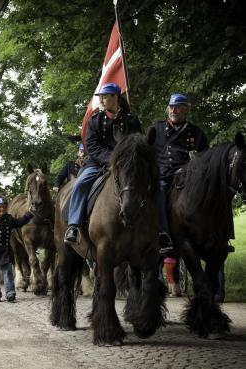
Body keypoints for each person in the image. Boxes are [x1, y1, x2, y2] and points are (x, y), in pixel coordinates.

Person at [64, 82, 142, 244]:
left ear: (116, 97)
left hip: (126, 164)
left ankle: (159, 229)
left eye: (105, 97)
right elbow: (92, 146)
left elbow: (138, 142)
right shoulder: (95, 120)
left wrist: (126, 159)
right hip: (97, 163)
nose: (102, 100)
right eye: (101, 97)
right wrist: (111, 159)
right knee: (80, 184)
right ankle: (74, 225)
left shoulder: (131, 120)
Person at [148, 93, 208, 254]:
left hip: (189, 176)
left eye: (179, 107)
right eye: (172, 107)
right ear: (168, 109)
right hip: (164, 175)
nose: (174, 110)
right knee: (158, 191)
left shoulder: (196, 132)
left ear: (186, 109)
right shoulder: (156, 129)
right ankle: (163, 234)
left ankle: (217, 234)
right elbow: (145, 153)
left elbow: (206, 157)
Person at [0, 197, 34, 303]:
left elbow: (19, 222)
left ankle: (10, 293)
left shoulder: (8, 218)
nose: (2, 208)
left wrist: (28, 214)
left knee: (7, 272)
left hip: (5, 251)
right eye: (0, 207)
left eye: (3, 206)